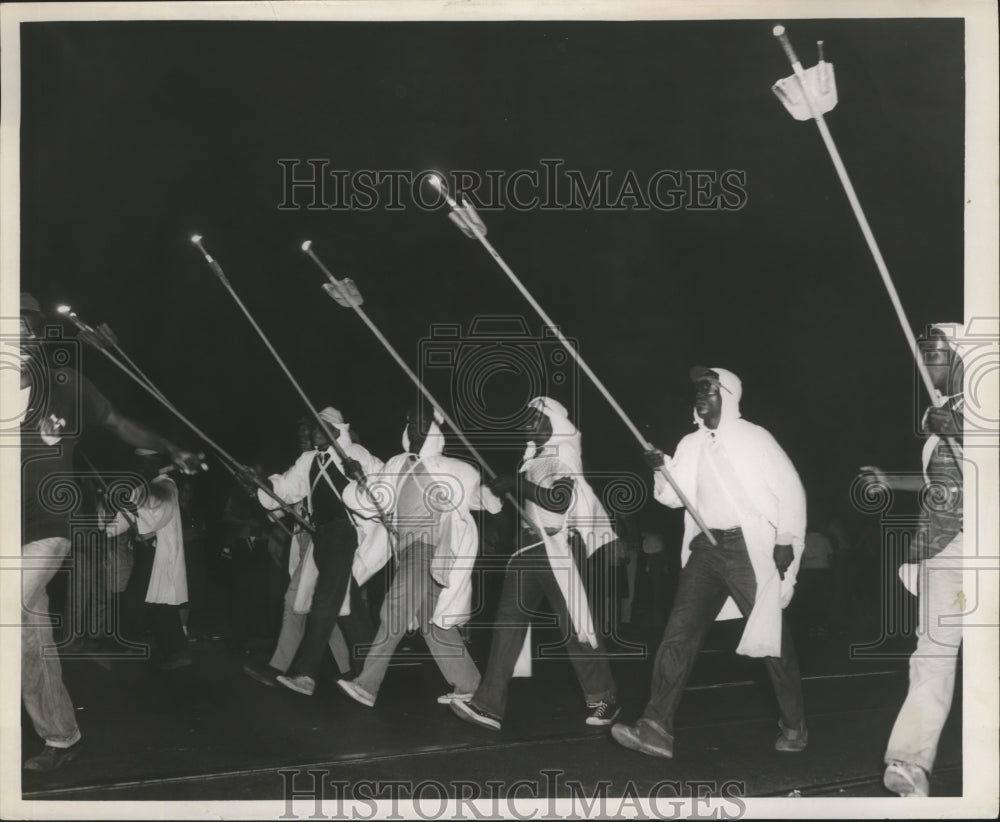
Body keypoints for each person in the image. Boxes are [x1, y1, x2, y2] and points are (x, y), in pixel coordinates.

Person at [17, 293, 201, 773]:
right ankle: (62, 736)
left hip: (46, 529)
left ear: (36, 338)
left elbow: (118, 423)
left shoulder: (66, 387)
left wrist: (169, 446)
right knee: (30, 639)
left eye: (25, 330)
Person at [611, 366, 807, 759]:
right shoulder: (690, 443)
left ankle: (794, 724)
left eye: (709, 389)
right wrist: (660, 469)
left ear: (729, 395)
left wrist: (786, 539)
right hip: (705, 549)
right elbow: (672, 498)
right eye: (698, 390)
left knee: (772, 640)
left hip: (748, 547)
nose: (700, 395)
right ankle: (656, 727)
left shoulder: (756, 437)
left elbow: (792, 489)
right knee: (677, 635)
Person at [451, 396, 620, 731]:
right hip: (530, 548)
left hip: (559, 547)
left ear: (552, 423)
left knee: (575, 626)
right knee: (507, 622)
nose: (525, 423)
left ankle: (604, 697)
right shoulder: (536, 458)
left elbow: (559, 500)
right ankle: (489, 705)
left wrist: (516, 484)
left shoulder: (561, 454)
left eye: (533, 417)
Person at [860, 324, 966, 798]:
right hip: (944, 546)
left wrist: (960, 429)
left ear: (962, 356)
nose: (927, 363)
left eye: (936, 353)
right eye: (923, 355)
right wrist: (892, 480)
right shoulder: (941, 413)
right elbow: (945, 483)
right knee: (933, 652)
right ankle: (911, 762)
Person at [337, 407, 502, 707]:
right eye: (411, 422)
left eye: (423, 423)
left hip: (429, 548)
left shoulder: (451, 467)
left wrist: (491, 493)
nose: (415, 427)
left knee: (394, 611)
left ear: (436, 430)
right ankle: (470, 685)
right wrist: (360, 481)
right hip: (407, 550)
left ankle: (367, 685)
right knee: (432, 623)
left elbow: (473, 497)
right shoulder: (398, 463)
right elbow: (377, 501)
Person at [250, 407, 384, 696]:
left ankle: (305, 673)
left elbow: (381, 488)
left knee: (324, 599)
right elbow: (286, 489)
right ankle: (369, 674)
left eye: (316, 428)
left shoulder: (355, 453)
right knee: (348, 608)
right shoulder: (308, 460)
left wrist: (361, 478)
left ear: (336, 430)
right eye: (310, 428)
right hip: (321, 535)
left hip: (345, 533)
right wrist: (261, 484)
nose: (310, 433)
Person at [106, 450, 191, 669]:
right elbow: (122, 520)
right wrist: (106, 527)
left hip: (158, 552)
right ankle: (146, 645)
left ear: (156, 463)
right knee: (147, 601)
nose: (142, 466)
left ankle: (175, 652)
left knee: (155, 602)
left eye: (147, 461)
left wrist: (129, 505)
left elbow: (156, 517)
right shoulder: (139, 489)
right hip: (145, 553)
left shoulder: (166, 486)